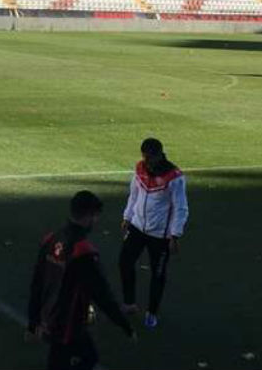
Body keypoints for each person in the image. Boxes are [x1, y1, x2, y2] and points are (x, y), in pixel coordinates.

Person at [27, 190, 135, 370]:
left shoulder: (51, 239)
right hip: (68, 323)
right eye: (96, 216)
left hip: (48, 315)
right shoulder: (83, 251)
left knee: (63, 359)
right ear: (90, 216)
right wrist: (125, 326)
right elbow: (102, 294)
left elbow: (36, 283)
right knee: (87, 358)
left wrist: (33, 322)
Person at [119, 137, 188, 330]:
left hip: (160, 234)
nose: (148, 161)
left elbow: (180, 207)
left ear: (159, 155)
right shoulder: (140, 168)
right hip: (137, 227)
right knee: (124, 262)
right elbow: (134, 194)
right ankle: (129, 302)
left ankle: (152, 312)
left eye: (151, 157)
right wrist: (127, 216)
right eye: (145, 156)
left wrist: (175, 235)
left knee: (157, 274)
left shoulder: (174, 177)